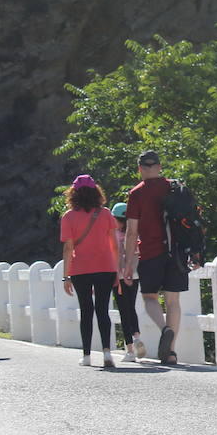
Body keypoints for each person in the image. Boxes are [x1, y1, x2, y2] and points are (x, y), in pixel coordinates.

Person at [124, 149, 186, 364]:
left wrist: (128, 263)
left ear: (140, 169)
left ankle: (164, 329)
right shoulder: (176, 187)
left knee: (150, 297)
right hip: (177, 252)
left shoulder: (137, 193)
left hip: (150, 251)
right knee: (173, 301)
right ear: (160, 166)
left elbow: (132, 231)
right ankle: (171, 352)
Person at [60, 175, 120, 369]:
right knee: (103, 310)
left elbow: (68, 248)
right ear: (96, 192)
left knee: (86, 310)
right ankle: (107, 353)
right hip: (105, 267)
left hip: (80, 269)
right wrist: (116, 270)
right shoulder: (106, 214)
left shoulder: (68, 217)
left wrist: (66, 275)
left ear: (73, 194)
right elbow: (114, 245)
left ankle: (86, 355)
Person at [111, 202, 146, 363]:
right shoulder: (135, 235)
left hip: (120, 276)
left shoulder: (114, 236)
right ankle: (137, 337)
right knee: (131, 307)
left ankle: (130, 350)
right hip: (136, 275)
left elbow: (115, 256)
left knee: (124, 312)